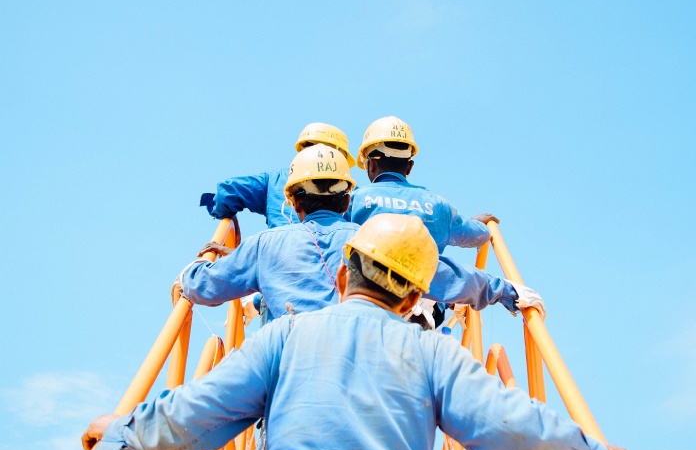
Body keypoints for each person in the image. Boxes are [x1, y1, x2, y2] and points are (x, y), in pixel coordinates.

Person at [83, 214, 636, 450]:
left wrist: (116, 434)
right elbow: (507, 425)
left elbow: (197, 414)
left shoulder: (283, 337)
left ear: (344, 276)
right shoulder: (435, 352)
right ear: (413, 298)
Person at [174, 145, 544, 325]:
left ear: (293, 200)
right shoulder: (375, 240)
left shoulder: (264, 246)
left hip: (288, 387)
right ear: (347, 195)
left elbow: (205, 287)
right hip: (365, 380)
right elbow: (445, 274)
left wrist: (194, 269)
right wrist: (506, 290)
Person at [348, 115, 494, 253]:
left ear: (371, 164)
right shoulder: (438, 205)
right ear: (409, 166)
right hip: (426, 279)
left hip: (367, 279)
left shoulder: (354, 201)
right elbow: (477, 235)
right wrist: (479, 225)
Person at [200, 122, 356, 228]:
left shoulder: (273, 181)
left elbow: (226, 194)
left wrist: (228, 217)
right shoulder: (351, 192)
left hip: (276, 262)